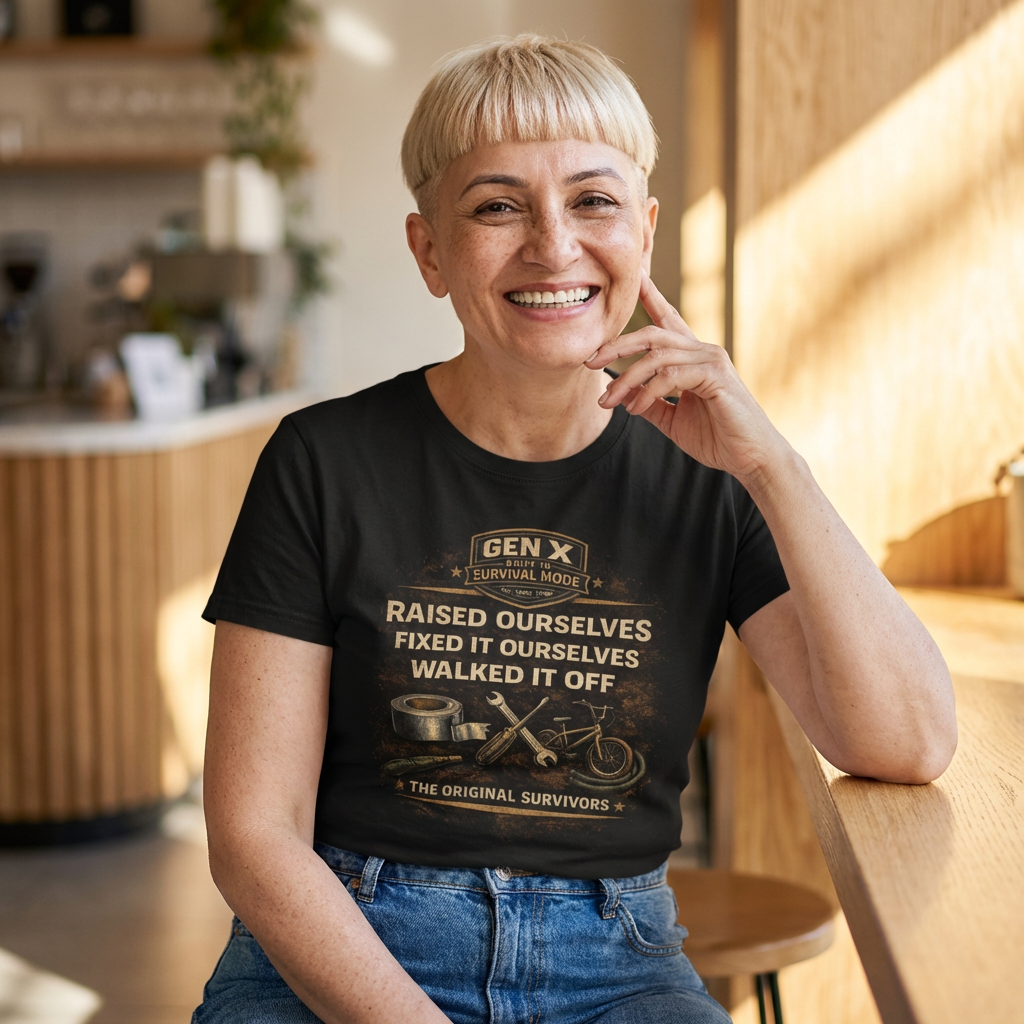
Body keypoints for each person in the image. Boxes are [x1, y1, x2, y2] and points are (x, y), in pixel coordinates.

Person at [192, 35, 957, 1024]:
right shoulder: (322, 461)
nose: (552, 246)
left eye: (591, 201)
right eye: (497, 205)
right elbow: (253, 835)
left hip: (618, 964)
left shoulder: (713, 470)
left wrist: (773, 463)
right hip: (346, 945)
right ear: (430, 250)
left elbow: (906, 741)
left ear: (641, 230)